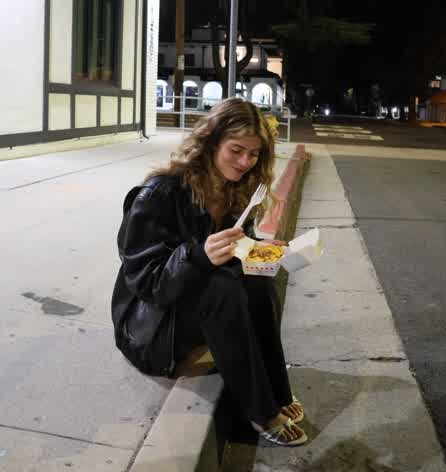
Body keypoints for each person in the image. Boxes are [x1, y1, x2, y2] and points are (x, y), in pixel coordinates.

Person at [111, 98, 307, 446]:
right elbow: (145, 281)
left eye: (254, 154)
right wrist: (198, 256)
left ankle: (277, 390)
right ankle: (260, 412)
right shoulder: (160, 193)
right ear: (211, 142)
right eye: (236, 150)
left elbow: (233, 255)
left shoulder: (234, 188)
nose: (245, 162)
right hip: (151, 330)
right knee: (220, 288)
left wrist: (258, 249)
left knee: (259, 283)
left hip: (195, 311)